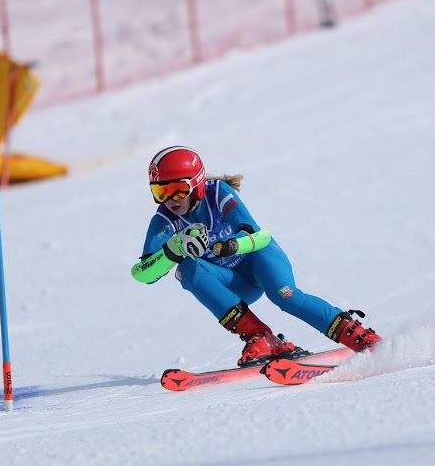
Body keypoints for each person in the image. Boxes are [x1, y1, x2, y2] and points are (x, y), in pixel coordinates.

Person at [131, 146, 382, 367]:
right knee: (184, 269)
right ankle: (261, 336)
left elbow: (259, 237)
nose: (170, 199)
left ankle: (356, 334)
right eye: (161, 192)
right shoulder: (164, 220)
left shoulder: (217, 191)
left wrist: (229, 246)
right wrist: (172, 249)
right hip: (234, 284)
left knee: (286, 297)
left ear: (196, 184)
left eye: (177, 189)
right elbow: (144, 275)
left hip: (259, 260)